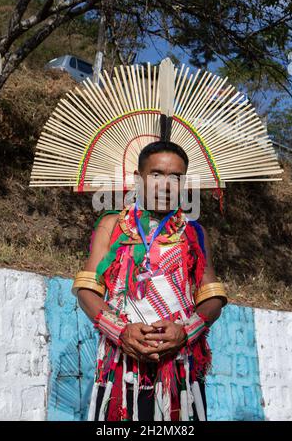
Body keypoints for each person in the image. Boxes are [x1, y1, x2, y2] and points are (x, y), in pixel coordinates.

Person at [72, 141, 228, 421]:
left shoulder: (194, 232)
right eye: (156, 175)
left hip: (179, 367)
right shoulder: (112, 224)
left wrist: (186, 332)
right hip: (120, 366)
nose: (166, 185)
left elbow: (212, 297)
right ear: (138, 179)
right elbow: (86, 290)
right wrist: (121, 331)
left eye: (176, 177)